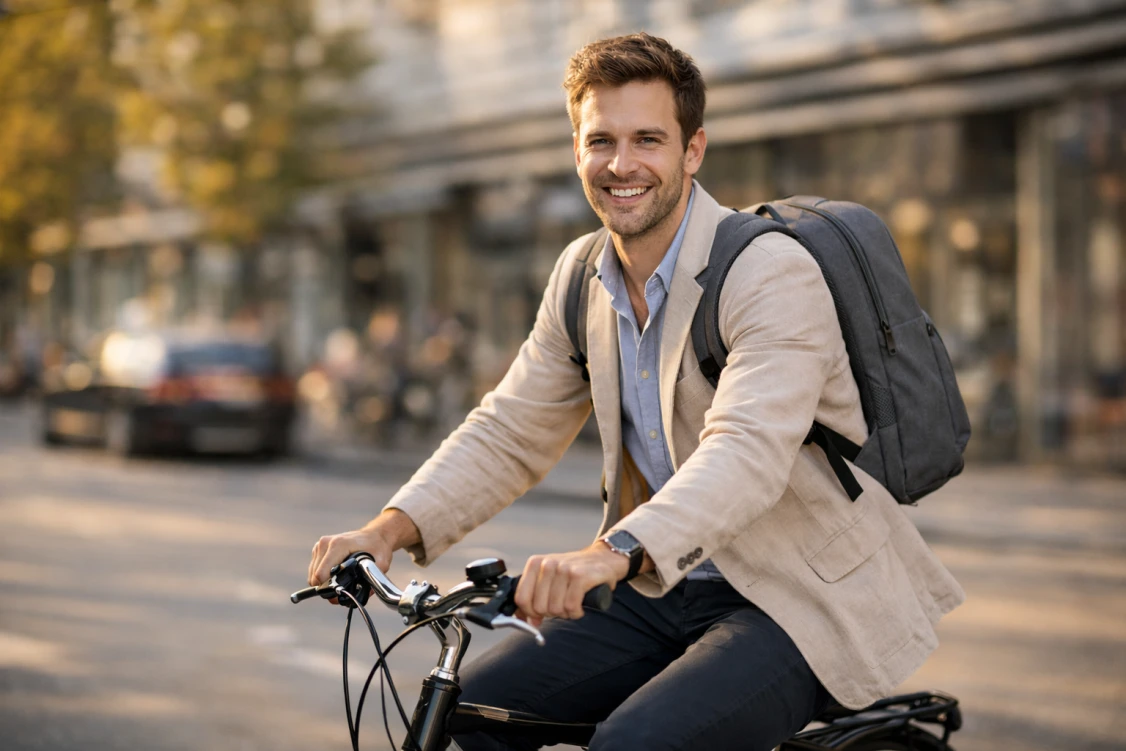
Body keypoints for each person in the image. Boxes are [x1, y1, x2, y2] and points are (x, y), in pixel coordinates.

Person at [308, 33, 964, 751]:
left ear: (693, 150)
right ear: (577, 149)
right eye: (601, 141)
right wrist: (388, 529)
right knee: (476, 709)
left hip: (797, 595)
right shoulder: (582, 274)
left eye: (648, 139)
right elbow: (510, 428)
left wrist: (613, 551)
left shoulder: (769, 273)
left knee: (635, 743)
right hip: (662, 588)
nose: (622, 165)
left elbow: (745, 451)